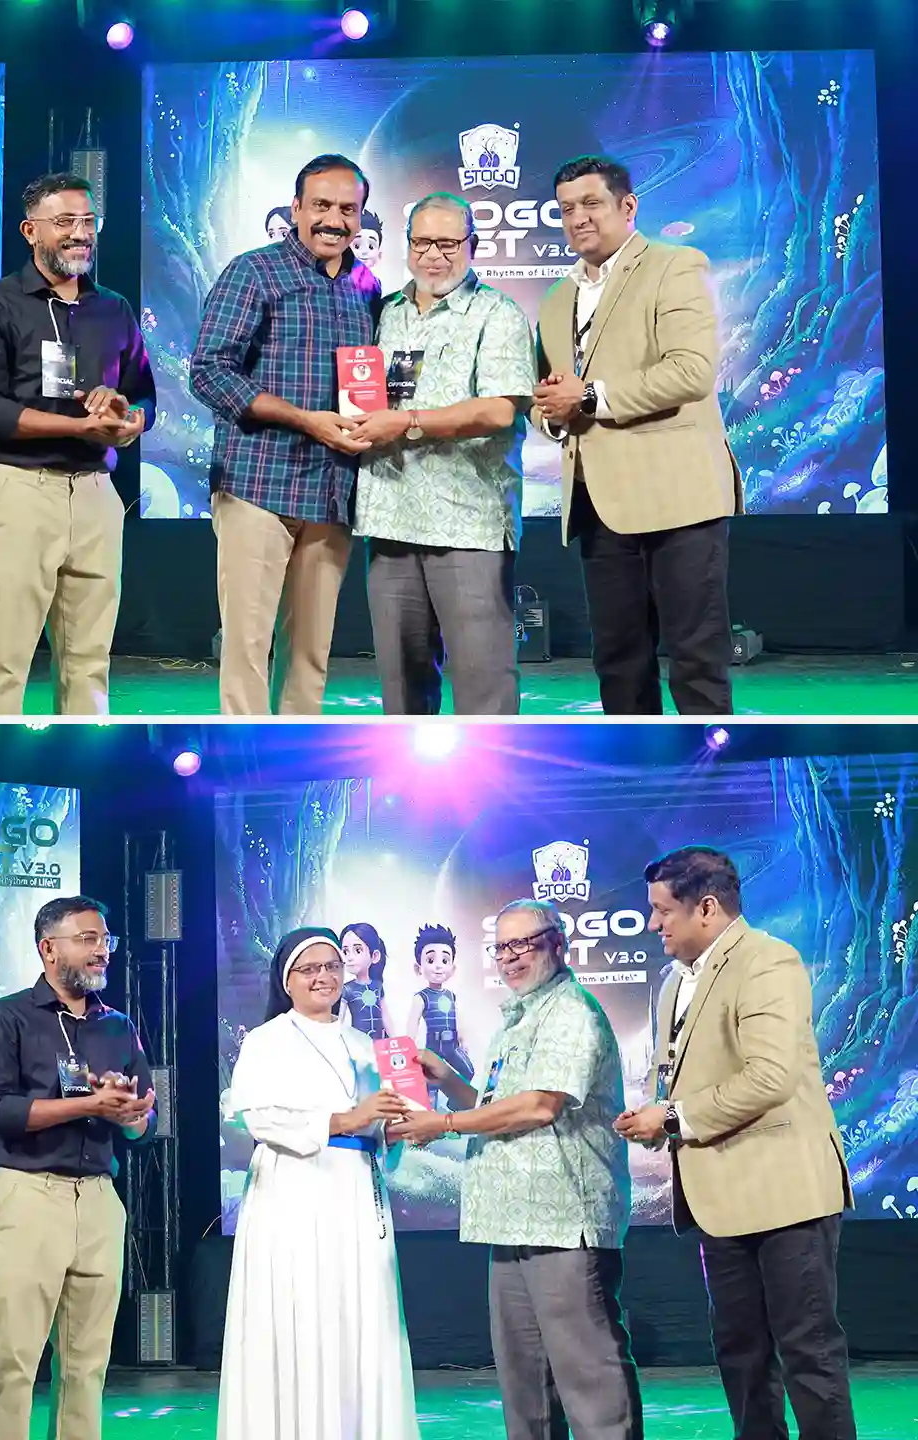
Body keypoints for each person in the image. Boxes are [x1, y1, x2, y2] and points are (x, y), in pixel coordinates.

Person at [615, 847, 856, 1440]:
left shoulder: (768, 961)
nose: (653, 924)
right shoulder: (673, 982)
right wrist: (652, 1112)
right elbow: (675, 1073)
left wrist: (672, 1118)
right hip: (717, 1198)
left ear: (707, 907)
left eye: (662, 911)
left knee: (807, 1351)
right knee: (740, 1351)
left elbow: (769, 1078)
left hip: (786, 1193)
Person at [393, 900, 642, 1440]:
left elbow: (540, 1106)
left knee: (587, 1371)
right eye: (501, 947)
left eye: (522, 944)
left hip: (562, 1221)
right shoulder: (517, 1018)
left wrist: (445, 1122)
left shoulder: (571, 1011)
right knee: (525, 1381)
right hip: (510, 1220)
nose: (509, 957)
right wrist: (447, 1080)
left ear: (558, 944)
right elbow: (495, 1106)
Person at [533, 156, 742, 717]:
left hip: (679, 496)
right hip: (598, 503)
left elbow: (690, 372)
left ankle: (710, 764)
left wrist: (588, 397)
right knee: (618, 662)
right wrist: (551, 414)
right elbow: (545, 393)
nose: (578, 218)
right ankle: (634, 763)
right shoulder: (556, 300)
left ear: (628, 206)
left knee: (697, 660)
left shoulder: (675, 266)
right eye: (566, 209)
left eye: (591, 203)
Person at [0, 172, 156, 716]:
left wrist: (129, 418)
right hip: (22, 492)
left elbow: (143, 395)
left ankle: (88, 749)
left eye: (89, 221)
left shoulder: (113, 309)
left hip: (96, 494)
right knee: (5, 662)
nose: (80, 233)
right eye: (65, 221)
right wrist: (76, 427)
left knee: (90, 662)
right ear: (31, 231)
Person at [189, 153, 381, 716]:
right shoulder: (254, 272)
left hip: (331, 491)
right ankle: (244, 750)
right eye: (321, 205)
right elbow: (209, 372)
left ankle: (296, 748)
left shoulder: (367, 285)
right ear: (296, 208)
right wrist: (304, 419)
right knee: (247, 648)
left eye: (348, 209)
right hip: (258, 484)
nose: (334, 220)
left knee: (310, 655)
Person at [218, 926, 418, 1440]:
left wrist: (396, 1128)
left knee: (360, 1314)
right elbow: (259, 1118)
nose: (323, 976)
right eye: (309, 969)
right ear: (287, 980)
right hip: (293, 1189)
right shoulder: (267, 1040)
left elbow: (379, 1126)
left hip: (357, 1191)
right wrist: (348, 1119)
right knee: (301, 1313)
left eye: (332, 966)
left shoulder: (366, 1045)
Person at [0, 895, 157, 1440]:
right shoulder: (8, 1017)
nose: (102, 950)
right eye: (87, 939)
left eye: (105, 940)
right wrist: (88, 1104)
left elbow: (143, 1127)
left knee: (87, 1365)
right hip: (30, 1195)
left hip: (99, 1200)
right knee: (15, 1363)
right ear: (48, 949)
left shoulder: (118, 1026)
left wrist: (130, 1114)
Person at [353, 194, 536, 714]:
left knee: (483, 686)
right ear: (407, 245)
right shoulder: (386, 313)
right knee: (401, 691)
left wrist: (407, 422)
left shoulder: (497, 313)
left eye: (448, 243)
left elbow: (500, 409)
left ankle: (493, 771)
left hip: (468, 523)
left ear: (472, 245)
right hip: (390, 519)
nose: (434, 255)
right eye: (422, 242)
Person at [406, 921, 472, 1104]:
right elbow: (412, 1022)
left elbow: (459, 1020)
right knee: (430, 1081)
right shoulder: (421, 997)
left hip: (452, 1046)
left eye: (444, 961)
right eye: (430, 960)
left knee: (467, 1071)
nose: (438, 966)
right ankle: (431, 1110)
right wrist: (409, 1047)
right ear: (418, 968)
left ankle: (455, 1104)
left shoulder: (452, 996)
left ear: (452, 968)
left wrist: (464, 1042)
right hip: (433, 1047)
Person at [339, 920, 394, 1039]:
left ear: (375, 956)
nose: (350, 958)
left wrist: (395, 1039)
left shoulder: (378, 986)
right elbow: (339, 1021)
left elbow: (385, 1016)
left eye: (358, 950)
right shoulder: (347, 989)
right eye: (345, 952)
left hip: (381, 1043)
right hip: (359, 1043)